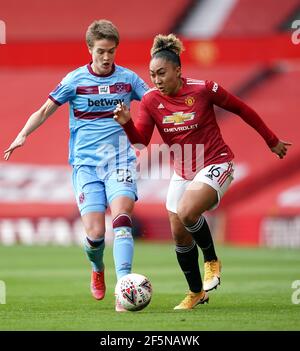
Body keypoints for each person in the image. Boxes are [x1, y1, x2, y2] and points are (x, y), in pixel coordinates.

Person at [113, 34, 291, 310]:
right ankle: (196, 292)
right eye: (152, 75)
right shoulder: (149, 101)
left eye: (162, 73)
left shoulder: (203, 89)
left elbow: (241, 109)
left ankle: (211, 260)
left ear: (178, 71)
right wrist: (126, 123)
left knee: (186, 211)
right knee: (179, 234)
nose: (157, 79)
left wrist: (271, 140)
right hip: (183, 170)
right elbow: (140, 142)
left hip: (216, 163)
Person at [4, 19, 149, 312]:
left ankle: (124, 288)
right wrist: (22, 134)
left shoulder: (129, 80)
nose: (106, 57)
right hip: (86, 166)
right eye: (101, 51)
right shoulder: (74, 81)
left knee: (121, 220)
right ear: (90, 49)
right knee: (95, 235)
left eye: (111, 51)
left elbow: (154, 102)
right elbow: (45, 110)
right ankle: (97, 269)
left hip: (119, 161)